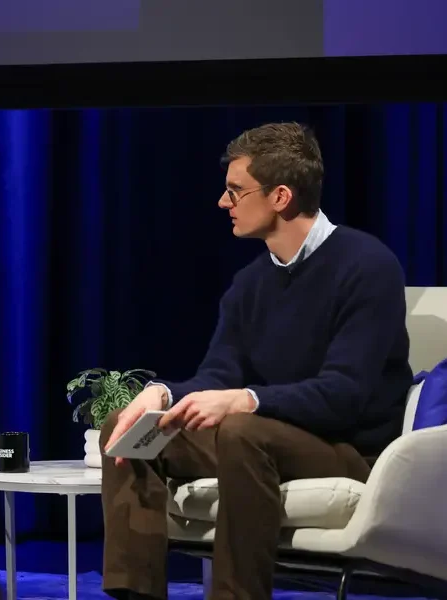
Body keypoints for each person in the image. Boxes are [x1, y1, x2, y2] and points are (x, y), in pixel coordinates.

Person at [99, 122, 412, 600]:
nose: (223, 203)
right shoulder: (250, 283)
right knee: (127, 429)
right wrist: (162, 394)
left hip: (348, 449)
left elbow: (345, 396)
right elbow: (218, 375)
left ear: (281, 196)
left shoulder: (368, 267)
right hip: (264, 437)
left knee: (244, 431)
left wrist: (245, 400)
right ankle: (134, 593)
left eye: (235, 191)